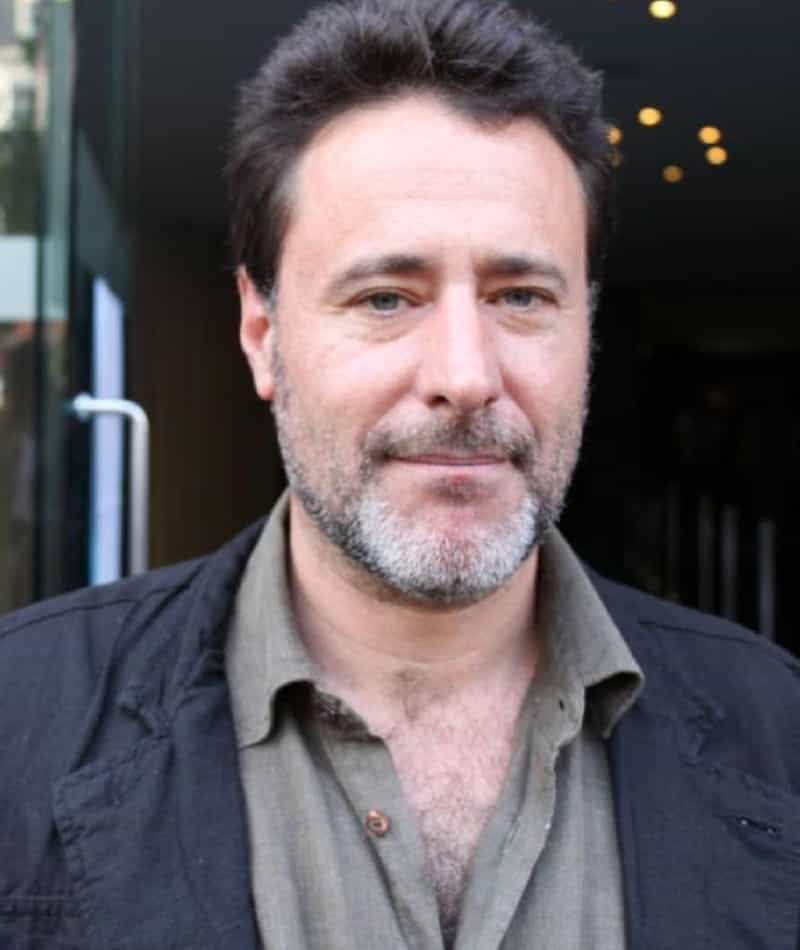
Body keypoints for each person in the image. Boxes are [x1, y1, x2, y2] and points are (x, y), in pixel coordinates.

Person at [1, 1, 798, 947]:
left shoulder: (778, 727)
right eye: (386, 298)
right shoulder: (21, 717)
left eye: (521, 296)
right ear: (261, 334)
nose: (465, 375)